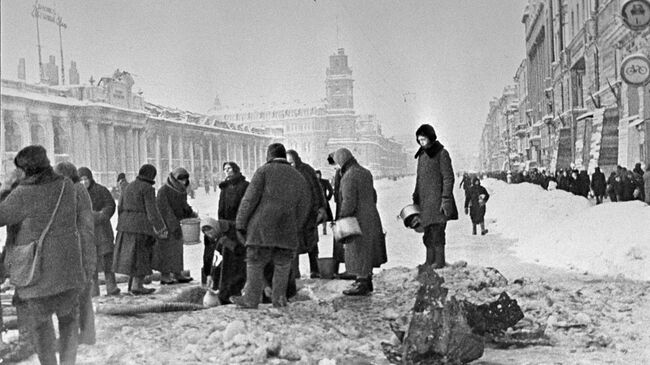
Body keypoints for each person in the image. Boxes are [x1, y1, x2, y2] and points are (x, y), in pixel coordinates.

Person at [0, 146, 92, 365]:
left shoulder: (23, 194)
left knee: (43, 330)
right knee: (68, 323)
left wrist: (7, 186)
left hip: (37, 274)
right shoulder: (66, 186)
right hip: (69, 270)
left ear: (27, 169)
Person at [231, 143, 310, 308]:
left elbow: (249, 200)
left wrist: (240, 223)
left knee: (255, 262)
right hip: (287, 230)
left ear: (269, 155)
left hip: (261, 229)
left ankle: (251, 299)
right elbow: (304, 206)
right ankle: (279, 299)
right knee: (282, 265)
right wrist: (295, 226)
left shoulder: (263, 171)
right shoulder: (298, 176)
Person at [332, 148, 387, 296]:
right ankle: (366, 279)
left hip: (357, 219)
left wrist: (342, 217)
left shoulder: (348, 176)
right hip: (371, 216)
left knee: (358, 249)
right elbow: (373, 195)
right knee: (366, 249)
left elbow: (349, 201)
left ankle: (361, 282)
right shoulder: (365, 172)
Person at [54, 162, 98, 346]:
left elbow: (79, 225)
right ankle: (87, 335)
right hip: (81, 249)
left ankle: (76, 337)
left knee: (75, 296)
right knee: (82, 295)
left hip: (79, 250)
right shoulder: (78, 190)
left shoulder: (74, 191)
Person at [114, 164, 168, 295]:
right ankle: (137, 286)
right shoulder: (147, 188)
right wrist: (161, 228)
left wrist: (123, 222)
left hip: (125, 226)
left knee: (131, 257)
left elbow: (119, 206)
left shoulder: (128, 186)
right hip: (141, 227)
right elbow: (152, 211)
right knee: (141, 256)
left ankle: (131, 285)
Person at [412, 124, 458, 268]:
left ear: (431, 138)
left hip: (438, 202)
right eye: (419, 140)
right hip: (425, 203)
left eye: (423, 139)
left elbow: (448, 177)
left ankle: (439, 261)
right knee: (427, 234)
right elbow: (419, 178)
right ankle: (429, 260)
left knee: (437, 233)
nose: (421, 142)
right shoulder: (421, 155)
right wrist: (415, 195)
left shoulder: (441, 153)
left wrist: (445, 199)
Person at [203, 162, 249, 304]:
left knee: (236, 257)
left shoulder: (244, 186)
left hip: (238, 226)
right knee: (223, 256)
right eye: (225, 169)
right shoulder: (224, 187)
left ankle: (234, 288)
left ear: (236, 169)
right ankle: (221, 286)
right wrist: (220, 224)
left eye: (229, 168)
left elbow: (245, 206)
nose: (226, 171)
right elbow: (221, 208)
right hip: (225, 226)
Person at [75, 167, 121, 297]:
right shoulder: (76, 194)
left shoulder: (101, 190)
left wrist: (101, 215)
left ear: (90, 178)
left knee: (107, 260)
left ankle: (111, 287)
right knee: (91, 263)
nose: (84, 182)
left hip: (102, 231)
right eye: (81, 180)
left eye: (86, 179)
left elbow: (110, 205)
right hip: (86, 233)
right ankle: (93, 290)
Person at [286, 150, 327, 279]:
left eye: (291, 162)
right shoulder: (286, 173)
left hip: (309, 213)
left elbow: (317, 189)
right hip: (294, 214)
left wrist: (320, 207)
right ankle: (295, 272)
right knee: (294, 244)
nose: (290, 165)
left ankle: (315, 270)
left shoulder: (307, 170)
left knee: (312, 243)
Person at [153, 167, 197, 285]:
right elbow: (164, 210)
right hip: (166, 226)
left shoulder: (181, 191)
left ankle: (177, 273)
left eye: (185, 179)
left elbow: (183, 205)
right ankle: (165, 276)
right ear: (174, 179)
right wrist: (173, 226)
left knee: (177, 251)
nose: (183, 182)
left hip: (177, 224)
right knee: (165, 251)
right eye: (180, 179)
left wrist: (190, 213)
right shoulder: (164, 191)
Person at [315, 170, 334, 235]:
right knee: (321, 215)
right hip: (316, 202)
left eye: (318, 174)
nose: (317, 176)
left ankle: (323, 228)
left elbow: (331, 190)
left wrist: (328, 198)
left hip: (323, 202)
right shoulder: (313, 182)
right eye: (316, 175)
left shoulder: (324, 182)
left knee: (324, 216)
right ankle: (317, 227)